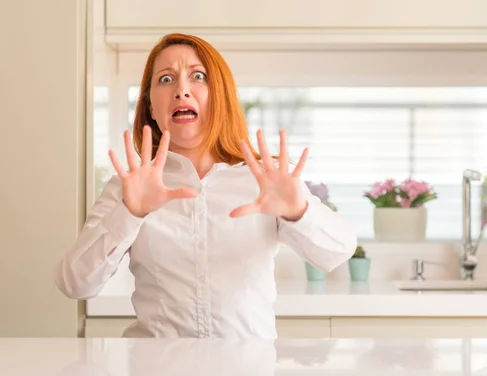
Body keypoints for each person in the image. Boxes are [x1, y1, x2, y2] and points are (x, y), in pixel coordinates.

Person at [54, 33, 357, 338]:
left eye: (197, 76)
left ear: (221, 95)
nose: (181, 90)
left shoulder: (265, 180)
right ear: (151, 106)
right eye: (165, 79)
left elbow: (337, 252)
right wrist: (128, 213)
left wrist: (298, 211)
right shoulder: (128, 187)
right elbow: (74, 284)